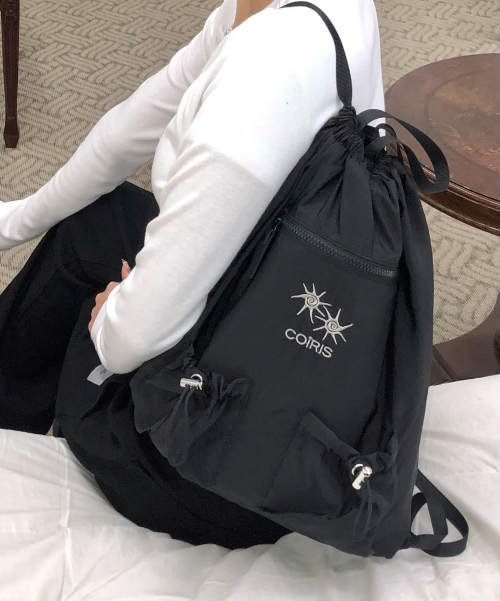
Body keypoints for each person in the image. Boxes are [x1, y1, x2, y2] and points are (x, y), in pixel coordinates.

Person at [0, 0, 384, 549]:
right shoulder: (321, 10)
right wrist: (13, 220)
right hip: (283, 343)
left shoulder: (266, 69)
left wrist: (113, 312)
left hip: (215, 472)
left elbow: (130, 342)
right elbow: (126, 132)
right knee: (96, 224)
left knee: (87, 313)